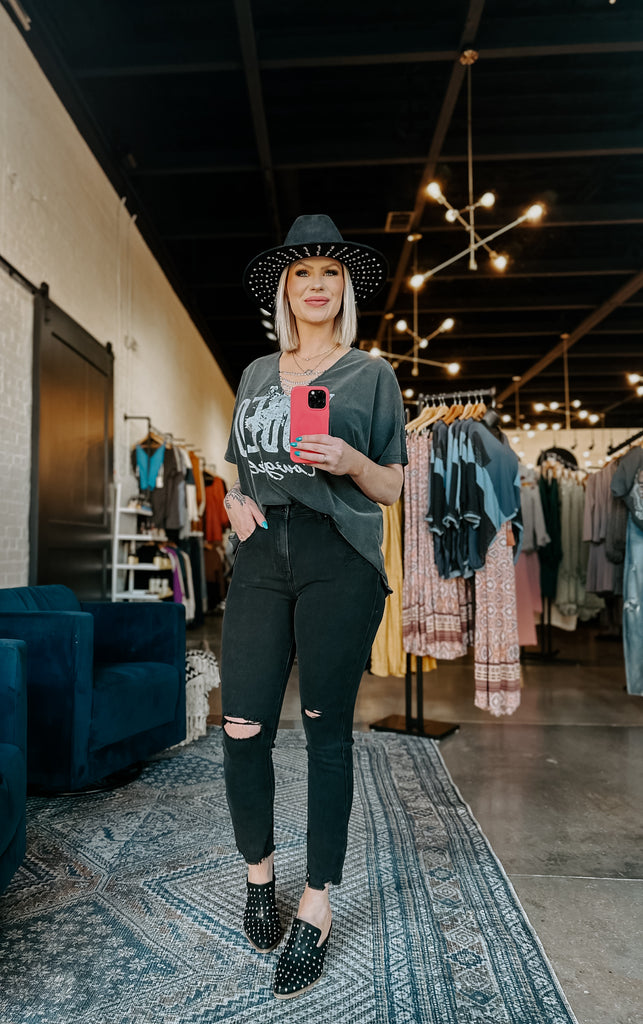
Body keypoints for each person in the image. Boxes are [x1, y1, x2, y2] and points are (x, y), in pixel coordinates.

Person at [221, 214, 407, 999]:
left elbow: (395, 487)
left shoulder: (371, 374)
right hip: (262, 553)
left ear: (344, 290)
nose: (317, 285)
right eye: (303, 274)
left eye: (330, 273)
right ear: (286, 292)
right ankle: (259, 873)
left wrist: (351, 459)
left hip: (338, 556)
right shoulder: (258, 372)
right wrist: (231, 499)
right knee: (242, 724)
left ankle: (316, 901)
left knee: (325, 731)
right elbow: (236, 470)